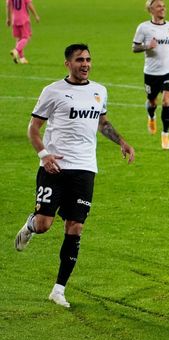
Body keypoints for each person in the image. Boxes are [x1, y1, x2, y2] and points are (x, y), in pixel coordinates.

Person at [14, 43, 135, 307]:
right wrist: (44, 155)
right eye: (80, 60)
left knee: (75, 227)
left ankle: (58, 289)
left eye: (89, 59)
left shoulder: (99, 91)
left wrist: (122, 142)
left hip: (85, 168)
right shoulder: (53, 91)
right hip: (53, 167)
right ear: (68, 63)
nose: (86, 64)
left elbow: (102, 123)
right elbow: (33, 128)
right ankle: (31, 224)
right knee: (45, 225)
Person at [132, 0, 169, 150]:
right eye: (159, 6)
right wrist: (147, 46)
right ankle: (151, 117)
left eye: (164, 6)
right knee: (152, 102)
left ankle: (165, 134)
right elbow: (134, 47)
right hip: (152, 72)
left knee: (166, 102)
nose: (163, 8)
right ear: (151, 9)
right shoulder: (144, 28)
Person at [6, 0, 39, 64]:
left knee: (18, 39)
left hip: (14, 19)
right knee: (26, 38)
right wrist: (36, 15)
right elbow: (29, 5)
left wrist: (8, 18)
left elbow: (8, 5)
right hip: (24, 19)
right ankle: (16, 50)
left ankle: (22, 58)